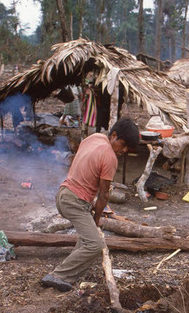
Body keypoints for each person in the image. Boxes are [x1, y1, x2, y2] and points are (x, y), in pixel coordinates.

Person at [41, 117, 140, 292]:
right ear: (114, 135)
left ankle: (70, 273)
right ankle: (58, 275)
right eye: (123, 145)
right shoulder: (110, 157)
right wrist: (96, 218)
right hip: (74, 201)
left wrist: (89, 201)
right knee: (95, 244)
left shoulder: (95, 138)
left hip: (64, 193)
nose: (124, 150)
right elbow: (104, 195)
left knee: (87, 238)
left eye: (127, 148)